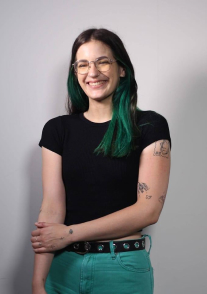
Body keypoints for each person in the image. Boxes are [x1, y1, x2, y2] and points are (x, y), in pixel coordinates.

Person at [31, 28, 171, 294]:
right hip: (62, 266)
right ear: (75, 73)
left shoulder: (150, 125)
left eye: (102, 61)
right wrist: (38, 281)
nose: (92, 72)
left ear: (122, 69)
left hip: (121, 267)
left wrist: (69, 233)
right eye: (82, 65)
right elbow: (51, 208)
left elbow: (148, 211)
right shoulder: (57, 129)